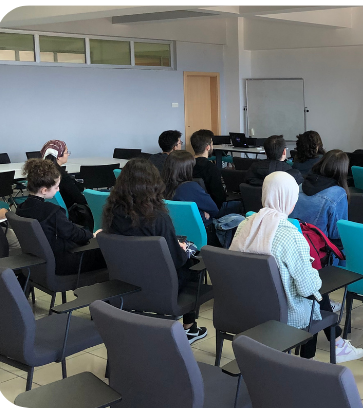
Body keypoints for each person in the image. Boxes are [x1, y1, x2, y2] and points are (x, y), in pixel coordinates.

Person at [230, 172, 363, 363]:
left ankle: (332, 347)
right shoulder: (291, 236)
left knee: (313, 296)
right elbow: (308, 288)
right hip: (284, 316)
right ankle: (308, 360)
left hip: (245, 307)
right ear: (290, 200)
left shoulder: (244, 225)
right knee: (314, 297)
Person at [102, 157, 207, 343]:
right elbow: (176, 261)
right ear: (153, 185)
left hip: (123, 282)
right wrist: (182, 250)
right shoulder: (158, 219)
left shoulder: (112, 214)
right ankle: (189, 328)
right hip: (161, 286)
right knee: (193, 260)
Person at [16, 159, 105, 276]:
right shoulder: (52, 212)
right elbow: (73, 233)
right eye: (56, 187)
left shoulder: (21, 209)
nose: (58, 190)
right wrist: (92, 235)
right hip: (62, 263)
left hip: (39, 262)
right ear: (44, 190)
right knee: (107, 253)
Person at [291, 150, 349, 252]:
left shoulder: (299, 186)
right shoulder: (338, 194)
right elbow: (337, 233)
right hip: (320, 251)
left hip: (295, 245)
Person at [191, 129, 238, 211]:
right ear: (208, 147)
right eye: (212, 144)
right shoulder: (211, 168)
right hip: (212, 208)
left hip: (194, 206)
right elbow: (219, 198)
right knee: (241, 204)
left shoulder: (185, 165)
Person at [40, 139, 87, 210]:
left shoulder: (43, 172)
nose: (68, 154)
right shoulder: (62, 176)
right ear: (58, 156)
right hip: (69, 210)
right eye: (66, 152)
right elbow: (79, 199)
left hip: (51, 209)